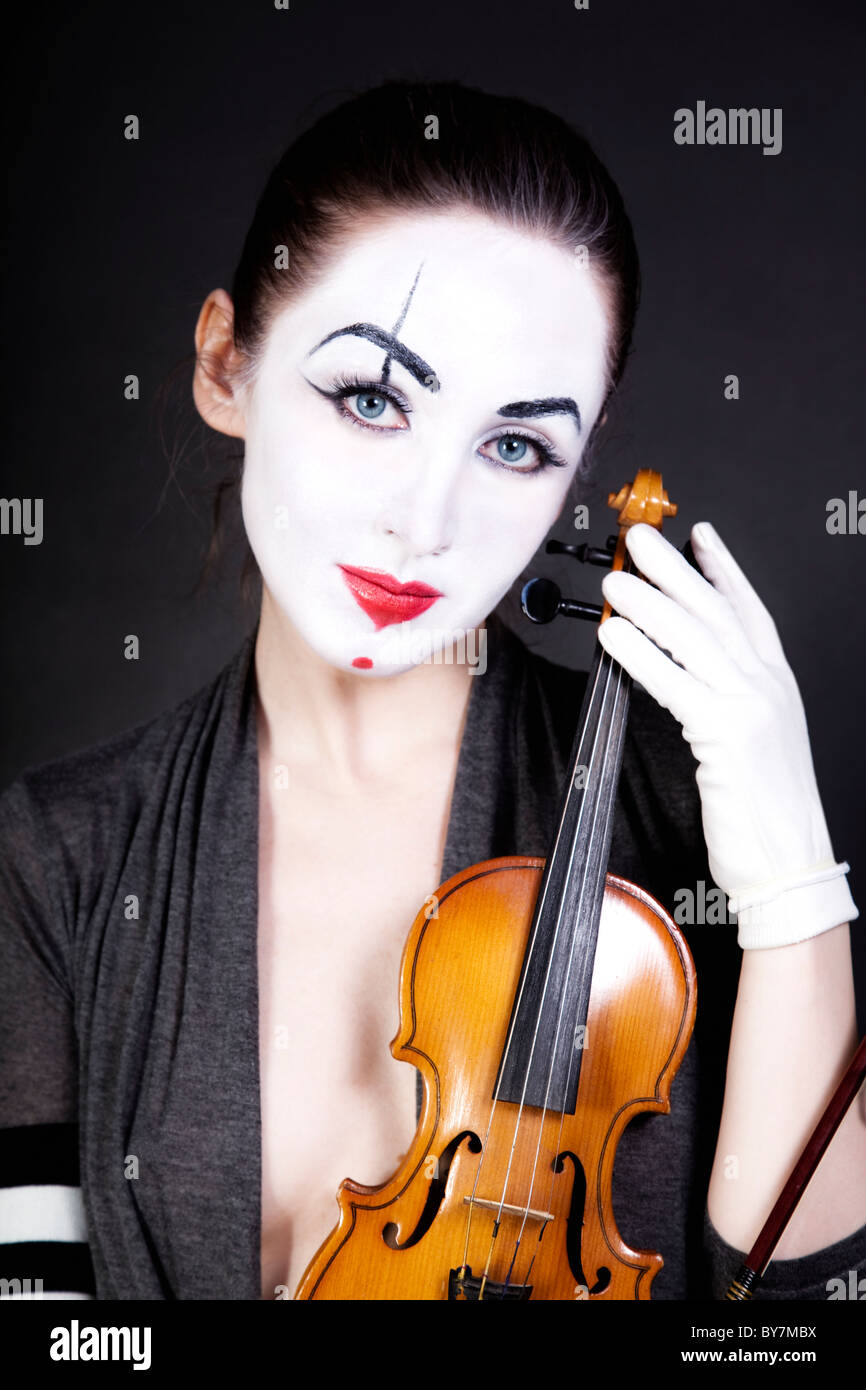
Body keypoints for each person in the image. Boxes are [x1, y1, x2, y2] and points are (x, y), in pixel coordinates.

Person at [0, 80, 863, 1302]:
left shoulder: (677, 822)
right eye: (370, 400)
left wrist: (789, 883)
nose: (426, 519)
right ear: (222, 365)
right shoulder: (59, 856)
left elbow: (799, 1321)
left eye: (513, 446)